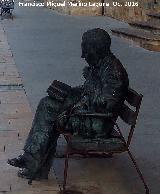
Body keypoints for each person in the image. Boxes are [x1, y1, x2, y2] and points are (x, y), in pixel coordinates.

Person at [7, 28, 129, 180]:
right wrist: (70, 92)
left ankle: (33, 163)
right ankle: (32, 160)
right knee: (46, 103)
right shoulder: (101, 64)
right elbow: (91, 92)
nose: (83, 55)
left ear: (96, 49)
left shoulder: (113, 72)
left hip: (96, 122)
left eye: (85, 49)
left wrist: (90, 88)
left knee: (50, 115)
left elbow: (105, 106)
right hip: (86, 111)